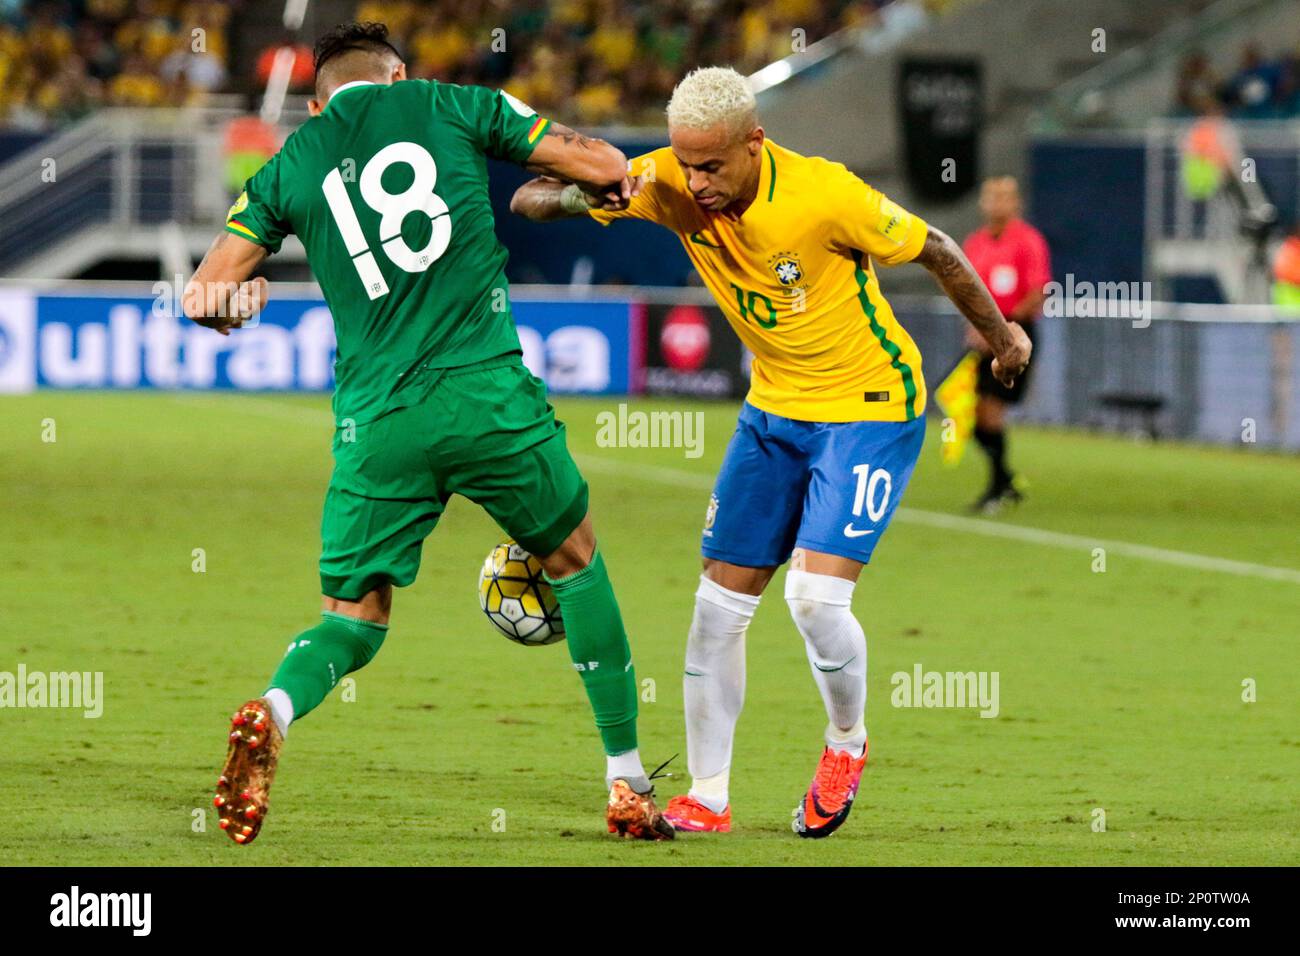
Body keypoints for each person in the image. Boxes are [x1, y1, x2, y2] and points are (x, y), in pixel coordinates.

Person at [183, 21, 674, 844]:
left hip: (378, 422)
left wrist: (241, 303)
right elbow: (600, 164)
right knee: (577, 565)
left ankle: (273, 709)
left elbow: (204, 297)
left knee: (352, 617)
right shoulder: (452, 102)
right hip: (487, 397)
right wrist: (597, 182)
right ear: (398, 73)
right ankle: (627, 784)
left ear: (316, 101)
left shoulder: (290, 163)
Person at [511, 66, 1031, 838]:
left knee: (815, 601)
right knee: (715, 611)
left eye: (712, 165)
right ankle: (708, 797)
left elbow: (941, 248)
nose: (697, 181)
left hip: (869, 406)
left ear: (754, 142)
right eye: (686, 164)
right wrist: (589, 194)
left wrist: (1004, 336)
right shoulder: (665, 180)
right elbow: (528, 198)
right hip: (772, 413)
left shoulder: (826, 194)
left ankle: (846, 744)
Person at [961, 176, 1051, 513]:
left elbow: (1037, 291)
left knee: (991, 411)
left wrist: (999, 331)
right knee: (975, 419)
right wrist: (975, 327)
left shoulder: (1028, 241)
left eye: (1004, 197)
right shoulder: (975, 243)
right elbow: (965, 290)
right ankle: (1006, 481)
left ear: (1017, 203)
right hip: (983, 336)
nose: (997, 203)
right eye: (991, 197)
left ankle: (998, 488)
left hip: (1015, 336)